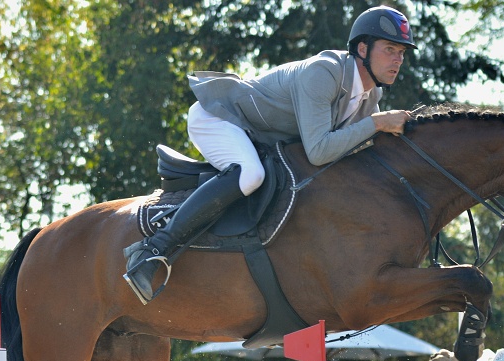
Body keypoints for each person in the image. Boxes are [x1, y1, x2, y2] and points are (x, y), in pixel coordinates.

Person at [123, 6, 417, 304]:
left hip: (255, 136)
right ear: (363, 49)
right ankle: (151, 252)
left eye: (402, 53)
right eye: (390, 49)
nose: (397, 60)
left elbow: (360, 153)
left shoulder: (371, 95)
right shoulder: (325, 73)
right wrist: (378, 123)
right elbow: (318, 152)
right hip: (219, 118)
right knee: (251, 174)